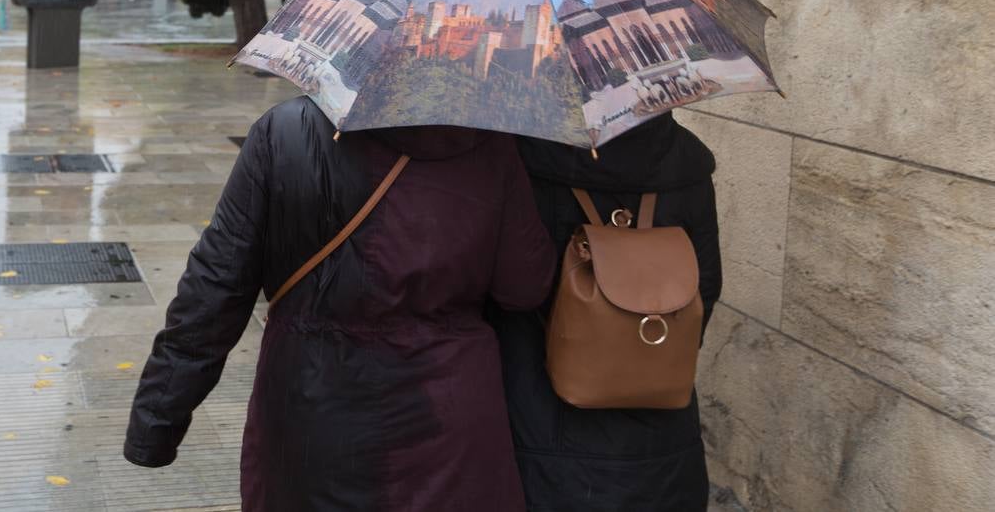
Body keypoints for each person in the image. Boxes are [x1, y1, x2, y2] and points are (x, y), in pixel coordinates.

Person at [124, 96, 555, 511]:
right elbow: (524, 288)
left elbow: (216, 284)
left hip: (312, 405)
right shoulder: (492, 144)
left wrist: (158, 417)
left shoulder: (286, 130)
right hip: (446, 417)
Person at [490, 112, 722, 512]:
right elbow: (705, 289)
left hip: (543, 428)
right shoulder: (686, 164)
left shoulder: (518, 156)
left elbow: (516, 288)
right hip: (662, 442)